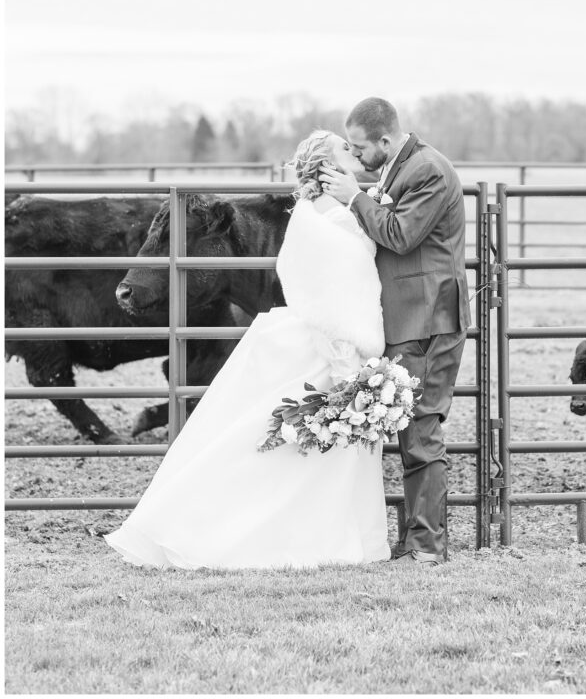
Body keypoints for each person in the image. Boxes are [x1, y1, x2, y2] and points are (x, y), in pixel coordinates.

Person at [104, 130, 391, 569]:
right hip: (331, 341)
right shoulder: (318, 217)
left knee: (309, 446)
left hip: (342, 339)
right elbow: (323, 285)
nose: (354, 153)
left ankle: (319, 535)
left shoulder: (341, 206)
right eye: (345, 150)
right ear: (329, 167)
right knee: (286, 441)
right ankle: (260, 533)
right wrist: (349, 356)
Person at [320, 97, 470, 568]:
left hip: (428, 319)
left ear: (385, 139)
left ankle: (427, 547)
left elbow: (402, 234)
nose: (357, 156)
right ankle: (417, 540)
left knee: (421, 429)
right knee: (410, 430)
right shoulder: (401, 165)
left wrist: (355, 197)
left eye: (361, 147)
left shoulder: (427, 170)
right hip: (411, 318)